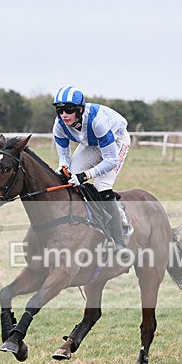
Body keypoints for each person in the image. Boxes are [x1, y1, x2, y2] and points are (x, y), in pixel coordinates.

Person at [52, 86, 130, 250]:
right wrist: (64, 166)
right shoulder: (59, 125)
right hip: (91, 143)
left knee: (101, 185)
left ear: (80, 109)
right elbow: (64, 156)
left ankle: (119, 235)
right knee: (69, 178)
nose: (64, 114)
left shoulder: (97, 121)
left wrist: (87, 175)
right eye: (59, 110)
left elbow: (111, 160)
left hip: (116, 143)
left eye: (69, 109)